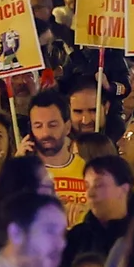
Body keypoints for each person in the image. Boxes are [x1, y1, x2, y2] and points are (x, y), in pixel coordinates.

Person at [63, 154, 134, 267]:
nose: (90, 193)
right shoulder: (77, 239)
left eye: (99, 185)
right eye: (87, 186)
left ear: (124, 189)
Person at [27, 91, 89, 227]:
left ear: (67, 127)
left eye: (52, 125)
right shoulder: (24, 175)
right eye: (38, 126)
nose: (45, 133)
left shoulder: (88, 171)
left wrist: (89, 213)